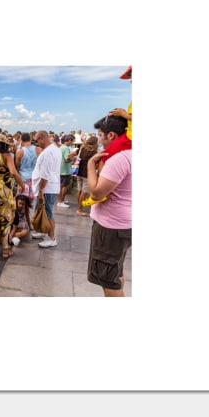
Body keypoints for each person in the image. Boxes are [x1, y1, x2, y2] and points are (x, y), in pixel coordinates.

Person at [86, 123, 132, 298]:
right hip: (124, 224)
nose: (99, 139)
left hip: (111, 227)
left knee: (108, 281)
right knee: (115, 274)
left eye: (100, 135)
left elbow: (97, 193)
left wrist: (91, 165)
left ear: (111, 135)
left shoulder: (120, 158)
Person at [30, 129, 61, 248]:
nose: (36, 143)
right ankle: (43, 231)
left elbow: (45, 175)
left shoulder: (48, 153)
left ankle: (52, 238)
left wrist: (41, 191)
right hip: (49, 187)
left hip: (47, 188)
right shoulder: (54, 149)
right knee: (42, 211)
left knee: (48, 213)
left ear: (42, 138)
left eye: (37, 140)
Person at [72, 136, 99, 216]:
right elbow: (95, 165)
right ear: (95, 143)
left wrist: (74, 162)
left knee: (79, 190)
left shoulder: (82, 149)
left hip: (78, 172)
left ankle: (79, 207)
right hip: (87, 174)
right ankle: (80, 209)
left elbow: (71, 155)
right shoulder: (94, 153)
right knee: (84, 192)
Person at [15, 132, 41, 201]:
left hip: (23, 179)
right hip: (35, 178)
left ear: (21, 140)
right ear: (30, 139)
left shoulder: (20, 152)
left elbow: (17, 166)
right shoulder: (38, 150)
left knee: (23, 201)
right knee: (33, 201)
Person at [56, 134, 75, 207]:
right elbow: (67, 160)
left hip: (60, 170)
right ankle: (61, 201)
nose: (72, 142)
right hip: (65, 170)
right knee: (64, 186)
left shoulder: (61, 147)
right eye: (72, 141)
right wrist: (73, 157)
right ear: (69, 140)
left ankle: (61, 200)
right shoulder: (66, 148)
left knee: (61, 186)